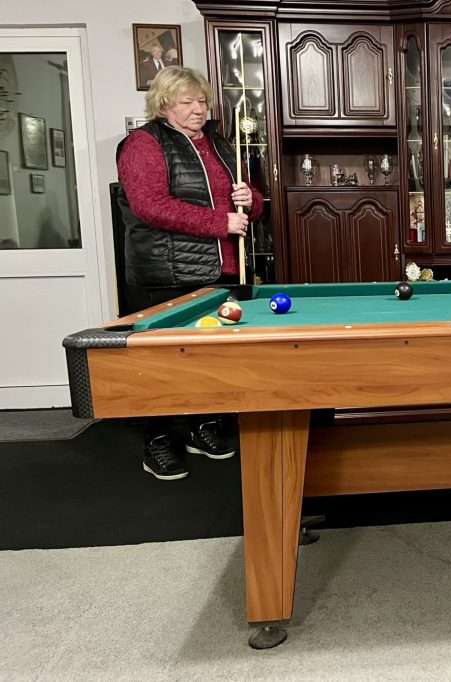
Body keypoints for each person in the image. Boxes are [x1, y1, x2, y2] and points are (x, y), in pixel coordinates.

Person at [116, 66, 263, 480]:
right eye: (188, 102)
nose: (199, 109)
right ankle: (158, 441)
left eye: (202, 101)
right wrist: (221, 222)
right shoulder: (143, 144)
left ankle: (203, 427)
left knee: (209, 359)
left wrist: (249, 199)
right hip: (165, 274)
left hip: (220, 271)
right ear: (164, 104)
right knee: (161, 364)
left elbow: (253, 205)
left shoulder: (218, 143)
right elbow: (149, 206)